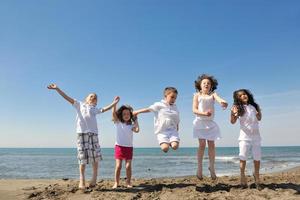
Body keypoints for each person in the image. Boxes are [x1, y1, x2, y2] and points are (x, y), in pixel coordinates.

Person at [47, 83, 119, 189]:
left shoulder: (95, 109)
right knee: (82, 157)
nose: (93, 97)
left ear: (96, 102)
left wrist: (114, 103)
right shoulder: (79, 104)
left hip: (93, 134)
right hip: (82, 133)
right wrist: (57, 89)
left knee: (95, 156)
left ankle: (94, 178)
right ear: (86, 99)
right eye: (91, 96)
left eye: (95, 97)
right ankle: (82, 180)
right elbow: (67, 97)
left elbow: (105, 109)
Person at [192, 74, 228, 180]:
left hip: (210, 123)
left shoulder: (213, 94)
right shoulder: (196, 95)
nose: (206, 84)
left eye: (208, 83)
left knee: (211, 145)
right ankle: (199, 168)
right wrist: (203, 113)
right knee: (202, 145)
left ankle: (211, 167)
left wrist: (223, 102)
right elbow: (194, 110)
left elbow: (218, 99)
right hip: (199, 122)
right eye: (204, 83)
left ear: (211, 86)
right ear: (200, 85)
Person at [231, 89, 262, 189]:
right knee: (243, 158)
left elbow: (259, 118)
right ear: (237, 99)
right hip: (244, 137)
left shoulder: (254, 106)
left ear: (247, 95)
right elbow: (232, 121)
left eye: (244, 94)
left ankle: (257, 178)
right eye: (240, 96)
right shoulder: (237, 107)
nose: (243, 96)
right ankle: (242, 178)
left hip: (256, 137)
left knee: (257, 158)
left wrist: (258, 113)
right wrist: (233, 113)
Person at [134, 87, 180, 153]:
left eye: (175, 98)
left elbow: (177, 118)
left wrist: (177, 126)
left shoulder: (175, 107)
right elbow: (148, 109)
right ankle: (167, 143)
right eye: (172, 97)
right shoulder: (159, 105)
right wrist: (137, 112)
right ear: (165, 96)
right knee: (165, 149)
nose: (174, 100)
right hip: (162, 131)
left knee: (175, 146)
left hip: (173, 130)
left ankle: (171, 142)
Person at [112, 103, 139, 189]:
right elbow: (113, 114)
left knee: (128, 166)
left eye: (128, 114)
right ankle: (116, 182)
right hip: (119, 147)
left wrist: (136, 120)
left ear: (130, 115)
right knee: (118, 166)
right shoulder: (118, 123)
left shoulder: (131, 125)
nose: (126, 115)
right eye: (124, 114)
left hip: (129, 148)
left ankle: (128, 182)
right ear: (121, 115)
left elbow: (137, 130)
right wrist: (114, 104)